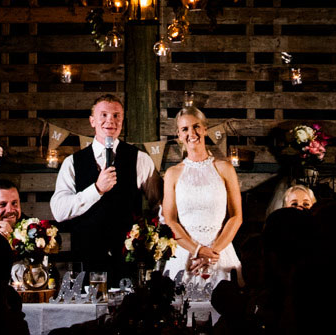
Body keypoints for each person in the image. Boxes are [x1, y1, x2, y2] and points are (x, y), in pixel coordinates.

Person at [51, 94, 155, 273]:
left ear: (122, 121)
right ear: (92, 121)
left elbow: (160, 203)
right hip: (85, 261)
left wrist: (151, 237)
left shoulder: (140, 159)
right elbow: (59, 211)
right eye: (104, 115)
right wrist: (97, 190)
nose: (110, 121)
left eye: (116, 116)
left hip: (128, 261)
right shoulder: (72, 163)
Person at [162, 105, 243, 285]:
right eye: (185, 129)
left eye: (196, 126)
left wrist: (212, 253)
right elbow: (170, 220)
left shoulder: (224, 168)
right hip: (185, 252)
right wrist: (197, 250)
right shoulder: (172, 174)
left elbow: (236, 216)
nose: (192, 133)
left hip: (219, 252)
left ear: (205, 129)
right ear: (179, 135)